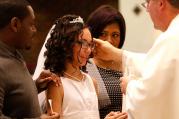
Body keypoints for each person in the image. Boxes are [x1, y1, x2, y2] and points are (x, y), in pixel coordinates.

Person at [92, 0, 179, 119]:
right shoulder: (86, 68)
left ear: (160, 3)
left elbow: (151, 94)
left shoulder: (171, 39)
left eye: (148, 3)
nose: (147, 9)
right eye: (103, 34)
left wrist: (130, 87)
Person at [0, 0, 60, 118]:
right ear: (15, 24)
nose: (34, 30)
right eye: (31, 24)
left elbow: (12, 98)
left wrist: (35, 86)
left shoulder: (14, 54)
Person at [85, 5, 126, 119]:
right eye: (103, 34)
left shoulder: (128, 64)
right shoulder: (85, 67)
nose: (109, 41)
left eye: (115, 35)